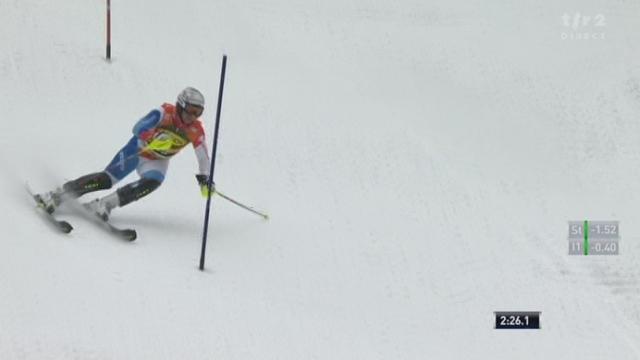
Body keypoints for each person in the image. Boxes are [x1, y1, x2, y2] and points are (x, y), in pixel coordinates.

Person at [38, 87, 214, 220]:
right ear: (180, 105)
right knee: (107, 180)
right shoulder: (165, 112)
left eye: (198, 112)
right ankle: (56, 196)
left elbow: (203, 155)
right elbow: (138, 127)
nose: (194, 116)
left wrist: (205, 178)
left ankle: (104, 205)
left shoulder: (196, 130)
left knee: (153, 182)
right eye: (191, 110)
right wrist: (151, 136)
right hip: (138, 149)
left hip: (158, 160)